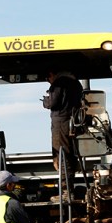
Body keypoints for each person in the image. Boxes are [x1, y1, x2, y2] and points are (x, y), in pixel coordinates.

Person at [42, 70, 83, 201]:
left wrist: (45, 100)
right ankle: (69, 190)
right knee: (70, 156)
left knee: (62, 156)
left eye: (47, 78)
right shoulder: (77, 84)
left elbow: (51, 104)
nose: (48, 81)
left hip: (60, 123)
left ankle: (66, 193)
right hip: (74, 123)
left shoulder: (58, 84)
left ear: (52, 74)